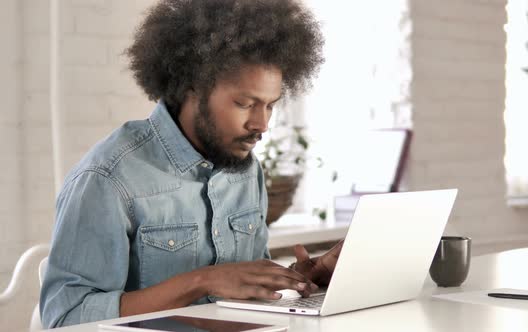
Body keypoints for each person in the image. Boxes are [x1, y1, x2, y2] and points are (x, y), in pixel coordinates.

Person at [39, 0, 343, 328]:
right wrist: (200, 281)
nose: (261, 124)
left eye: (270, 105)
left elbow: (245, 288)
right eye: (244, 103)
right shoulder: (109, 179)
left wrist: (297, 280)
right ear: (191, 87)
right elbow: (65, 319)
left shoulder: (244, 169)